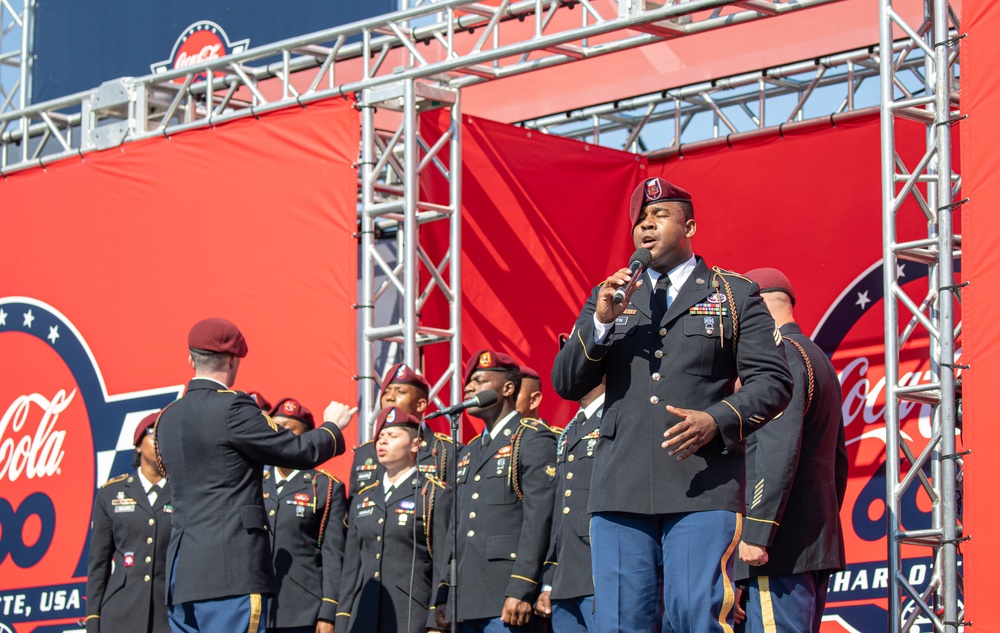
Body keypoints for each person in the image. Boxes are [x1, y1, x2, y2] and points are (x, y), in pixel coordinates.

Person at [551, 177, 793, 632]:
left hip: (700, 486)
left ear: (691, 225)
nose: (647, 227)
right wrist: (600, 324)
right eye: (640, 221)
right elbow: (566, 382)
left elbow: (774, 383)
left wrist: (717, 419)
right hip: (619, 488)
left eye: (660, 216)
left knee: (696, 616)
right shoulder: (611, 296)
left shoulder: (735, 295)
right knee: (620, 623)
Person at [155, 317, 356, 633]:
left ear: (190, 359)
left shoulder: (167, 417)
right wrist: (332, 427)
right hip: (230, 572)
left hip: (182, 575)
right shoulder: (233, 408)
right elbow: (297, 452)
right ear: (234, 361)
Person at [733, 268, 848, 633]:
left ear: (759, 307)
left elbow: (775, 446)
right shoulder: (819, 359)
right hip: (809, 541)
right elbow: (838, 462)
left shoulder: (781, 359)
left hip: (777, 548)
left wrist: (757, 531)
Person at [435, 349, 557, 633]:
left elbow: (540, 519)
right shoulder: (468, 452)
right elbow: (456, 527)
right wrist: (442, 595)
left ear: (507, 388)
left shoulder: (531, 437)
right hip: (465, 598)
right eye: (468, 382)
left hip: (507, 596)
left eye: (479, 380)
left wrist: (523, 586)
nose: (469, 387)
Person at [336, 406, 451, 633]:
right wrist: (342, 620)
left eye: (393, 436)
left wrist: (436, 622)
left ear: (416, 445)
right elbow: (351, 568)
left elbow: (442, 561)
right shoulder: (363, 497)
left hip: (410, 612)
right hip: (365, 613)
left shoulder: (434, 493)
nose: (382, 442)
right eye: (380, 437)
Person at [263, 397, 349, 633]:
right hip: (255, 609)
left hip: (302, 610)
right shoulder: (253, 482)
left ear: (309, 436)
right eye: (274, 428)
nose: (279, 436)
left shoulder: (325, 487)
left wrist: (328, 612)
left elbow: (333, 554)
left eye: (288, 430)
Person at [85, 410, 172, 633]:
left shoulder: (183, 493)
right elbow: (99, 563)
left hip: (168, 615)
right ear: (138, 444)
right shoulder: (111, 493)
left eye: (167, 434)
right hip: (121, 614)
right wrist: (93, 618)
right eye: (154, 434)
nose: (161, 441)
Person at [535, 374, 606, 633]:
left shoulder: (617, 414)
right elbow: (562, 511)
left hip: (602, 571)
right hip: (567, 578)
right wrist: (549, 583)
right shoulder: (572, 427)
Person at [350, 363, 458, 497]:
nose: (389, 397)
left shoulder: (447, 451)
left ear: (420, 404)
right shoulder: (365, 453)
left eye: (400, 392)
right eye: (386, 392)